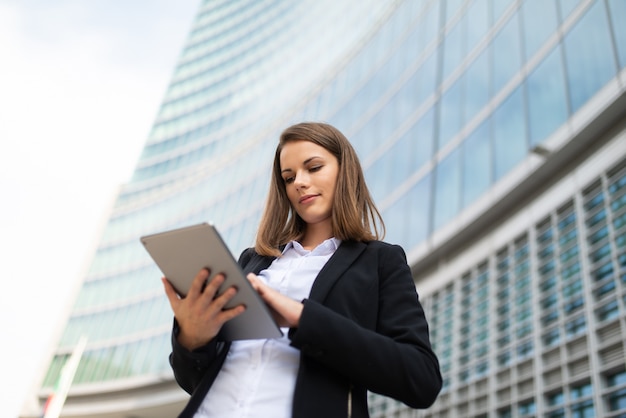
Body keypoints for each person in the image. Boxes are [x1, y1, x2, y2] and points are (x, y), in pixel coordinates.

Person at [162, 122, 442, 418]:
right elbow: (193, 381)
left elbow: (421, 379)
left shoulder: (380, 261)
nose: (299, 182)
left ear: (344, 170)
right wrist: (193, 339)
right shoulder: (253, 260)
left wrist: (300, 316)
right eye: (289, 176)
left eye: (314, 167)